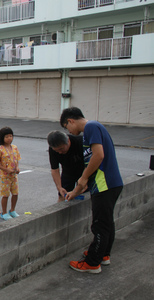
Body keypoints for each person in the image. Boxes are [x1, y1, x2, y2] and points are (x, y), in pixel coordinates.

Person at [61, 107, 123, 274]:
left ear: (71, 121)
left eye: (67, 128)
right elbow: (94, 163)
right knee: (107, 223)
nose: (70, 132)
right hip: (108, 184)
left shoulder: (91, 127)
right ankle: (103, 254)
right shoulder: (93, 128)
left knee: (100, 226)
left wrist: (83, 177)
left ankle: (92, 263)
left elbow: (99, 155)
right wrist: (75, 192)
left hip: (105, 185)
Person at [0, 127, 21, 221]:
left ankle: (12, 210)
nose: (9, 138)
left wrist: (17, 168)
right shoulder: (0, 149)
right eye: (7, 136)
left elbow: (17, 159)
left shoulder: (15, 147)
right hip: (5, 177)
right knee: (5, 195)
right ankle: (4, 213)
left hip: (14, 176)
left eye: (11, 136)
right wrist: (6, 169)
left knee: (15, 193)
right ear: (2, 138)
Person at [47, 130, 85, 202]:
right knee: (62, 194)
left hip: (84, 170)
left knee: (85, 193)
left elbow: (91, 163)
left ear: (68, 141)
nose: (60, 152)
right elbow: (55, 169)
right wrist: (59, 187)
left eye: (61, 149)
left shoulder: (80, 142)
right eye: (57, 150)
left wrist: (85, 179)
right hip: (68, 171)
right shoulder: (52, 149)